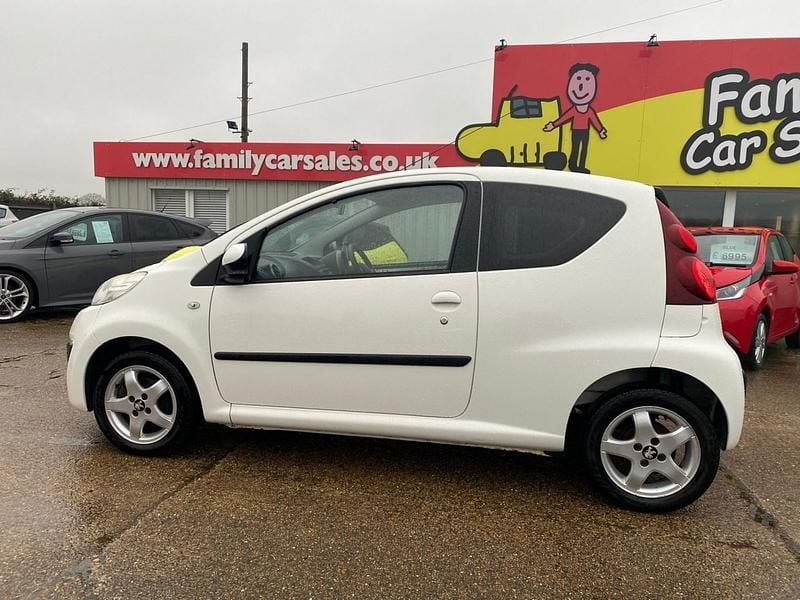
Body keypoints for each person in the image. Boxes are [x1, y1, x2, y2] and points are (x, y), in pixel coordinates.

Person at [543, 63, 607, 174]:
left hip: (585, 131)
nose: (581, 86)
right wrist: (553, 125)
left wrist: (601, 131)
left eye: (587, 80)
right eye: (578, 79)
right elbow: (564, 118)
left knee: (584, 149)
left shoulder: (589, 110)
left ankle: (581, 166)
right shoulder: (574, 109)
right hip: (576, 130)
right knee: (575, 147)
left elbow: (595, 121)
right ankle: (573, 164)